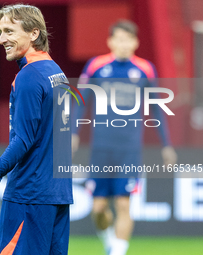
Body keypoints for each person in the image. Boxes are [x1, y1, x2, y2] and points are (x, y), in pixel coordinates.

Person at [0, 4, 73, 255]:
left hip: (29, 195)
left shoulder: (29, 76)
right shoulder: (57, 73)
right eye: (1, 32)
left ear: (34, 33)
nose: (2, 39)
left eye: (10, 31)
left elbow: (23, 140)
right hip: (57, 194)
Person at [72, 20, 177, 255]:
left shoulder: (145, 69)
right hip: (101, 148)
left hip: (129, 149)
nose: (123, 44)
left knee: (123, 203)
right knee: (98, 208)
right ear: (110, 42)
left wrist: (166, 145)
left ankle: (117, 251)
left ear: (135, 42)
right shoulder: (96, 66)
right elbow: (81, 101)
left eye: (128, 39)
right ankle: (112, 242)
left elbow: (157, 109)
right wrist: (73, 133)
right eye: (118, 39)